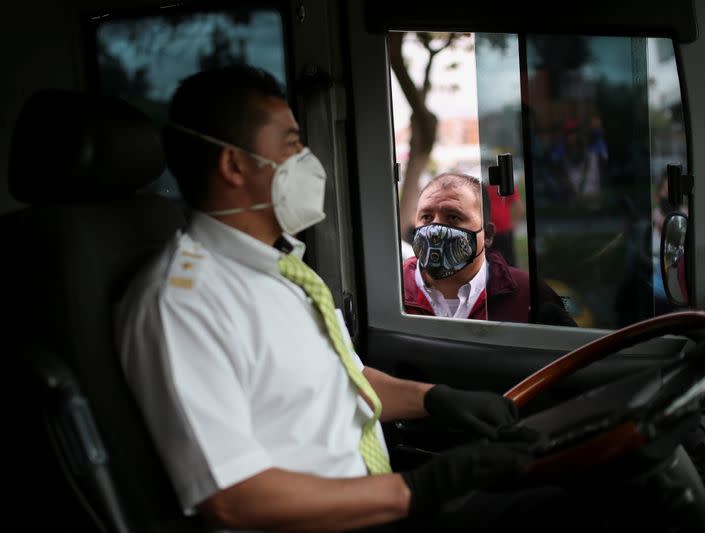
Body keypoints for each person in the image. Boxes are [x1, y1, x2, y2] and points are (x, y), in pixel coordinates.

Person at [114, 65, 579, 533]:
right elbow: (232, 498)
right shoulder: (182, 302)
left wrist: (435, 398)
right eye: (292, 144)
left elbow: (344, 380)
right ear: (234, 165)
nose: (307, 159)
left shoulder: (280, 273)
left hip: (373, 503)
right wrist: (422, 488)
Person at [402, 172, 574, 326]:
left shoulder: (528, 293)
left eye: (453, 217)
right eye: (426, 217)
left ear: (488, 235)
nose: (435, 230)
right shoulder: (391, 290)